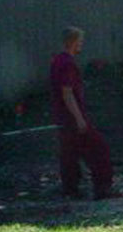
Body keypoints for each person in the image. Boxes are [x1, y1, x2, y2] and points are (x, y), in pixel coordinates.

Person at [49, 27, 115, 200]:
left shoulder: (57, 60)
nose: (81, 45)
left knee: (69, 153)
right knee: (99, 149)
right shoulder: (68, 64)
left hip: (61, 116)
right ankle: (102, 188)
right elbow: (67, 92)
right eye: (80, 42)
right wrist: (79, 118)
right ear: (73, 42)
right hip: (71, 116)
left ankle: (70, 189)